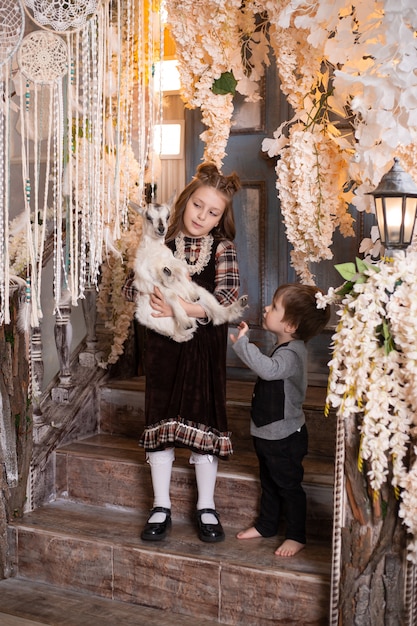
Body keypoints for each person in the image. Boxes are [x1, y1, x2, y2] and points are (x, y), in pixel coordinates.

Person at [123, 162, 242, 543]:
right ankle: (161, 505)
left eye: (213, 213)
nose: (202, 217)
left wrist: (186, 308)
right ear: (185, 201)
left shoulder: (223, 249)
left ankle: (206, 505)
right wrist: (151, 291)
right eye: (197, 206)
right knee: (162, 422)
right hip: (163, 350)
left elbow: (226, 300)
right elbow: (129, 288)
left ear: (221, 218)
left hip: (204, 351)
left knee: (202, 420)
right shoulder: (161, 244)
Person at [230, 283, 330, 556]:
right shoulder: (284, 346)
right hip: (268, 434)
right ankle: (267, 525)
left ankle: (297, 535)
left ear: (290, 325)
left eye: (274, 307)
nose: (266, 308)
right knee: (269, 483)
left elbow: (269, 370)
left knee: (288, 486)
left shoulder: (292, 354)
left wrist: (244, 346)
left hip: (285, 438)